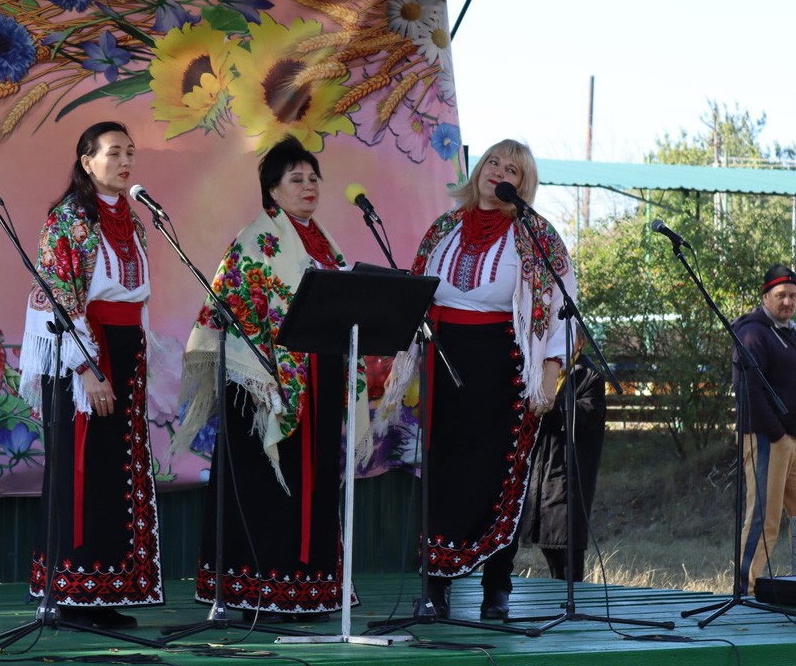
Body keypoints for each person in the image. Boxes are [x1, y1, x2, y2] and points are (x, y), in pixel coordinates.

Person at [382, 139, 576, 621]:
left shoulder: (538, 236)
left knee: (499, 478)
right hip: (443, 366)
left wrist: (549, 374)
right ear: (478, 170)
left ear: (522, 184)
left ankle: (497, 589)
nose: (498, 171)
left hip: (505, 372)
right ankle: (436, 587)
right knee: (442, 473)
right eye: (492, 161)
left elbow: (561, 312)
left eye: (512, 168)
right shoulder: (443, 229)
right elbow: (416, 294)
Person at [176, 135, 354, 623]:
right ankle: (262, 591)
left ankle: (309, 588)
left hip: (315, 377)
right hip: (262, 384)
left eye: (314, 177)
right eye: (296, 178)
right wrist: (266, 375)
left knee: (312, 485)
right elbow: (235, 310)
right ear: (272, 190)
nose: (309, 186)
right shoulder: (257, 236)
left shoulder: (321, 239)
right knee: (269, 487)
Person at [18, 120, 163, 630]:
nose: (125, 162)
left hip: (126, 354)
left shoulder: (137, 223)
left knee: (115, 473)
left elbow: (137, 300)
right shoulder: (68, 221)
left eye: (130, 152)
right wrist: (88, 369)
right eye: (113, 153)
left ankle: (106, 591)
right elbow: (61, 296)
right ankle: (73, 593)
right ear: (86, 162)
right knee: (81, 472)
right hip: (84, 355)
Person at [731, 264, 796, 596]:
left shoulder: (789, 332)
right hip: (770, 439)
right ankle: (746, 591)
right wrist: (776, 434)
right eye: (781, 295)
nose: (788, 302)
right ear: (766, 296)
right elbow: (748, 390)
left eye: (793, 296)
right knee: (764, 520)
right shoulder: (753, 333)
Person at [519, 329, 607, 582]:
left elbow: (585, 417)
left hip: (570, 468)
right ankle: (556, 598)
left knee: (566, 541)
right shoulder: (542, 371)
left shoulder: (590, 376)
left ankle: (572, 601)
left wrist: (549, 403)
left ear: (580, 342)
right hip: (541, 466)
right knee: (547, 538)